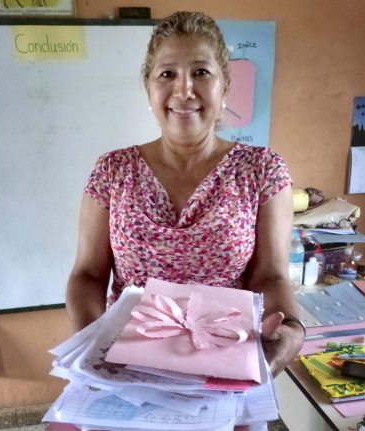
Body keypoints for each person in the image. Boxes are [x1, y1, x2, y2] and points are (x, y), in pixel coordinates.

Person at [66, 10, 304, 376]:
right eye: (167, 74)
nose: (184, 90)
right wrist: (95, 343)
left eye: (201, 72)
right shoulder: (113, 171)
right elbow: (87, 274)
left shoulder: (262, 171)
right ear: (149, 87)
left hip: (225, 361)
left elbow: (270, 276)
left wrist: (291, 330)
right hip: (128, 365)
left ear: (225, 86)